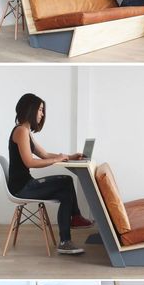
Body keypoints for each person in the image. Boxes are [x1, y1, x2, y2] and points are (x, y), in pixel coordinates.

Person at [8, 93, 93, 254]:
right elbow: (30, 162)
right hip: (21, 188)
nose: (42, 114)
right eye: (40, 110)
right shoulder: (20, 131)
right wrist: (57, 160)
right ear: (30, 109)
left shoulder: (26, 132)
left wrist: (68, 156)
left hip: (25, 184)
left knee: (65, 192)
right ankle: (72, 224)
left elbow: (45, 154)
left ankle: (66, 239)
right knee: (66, 181)